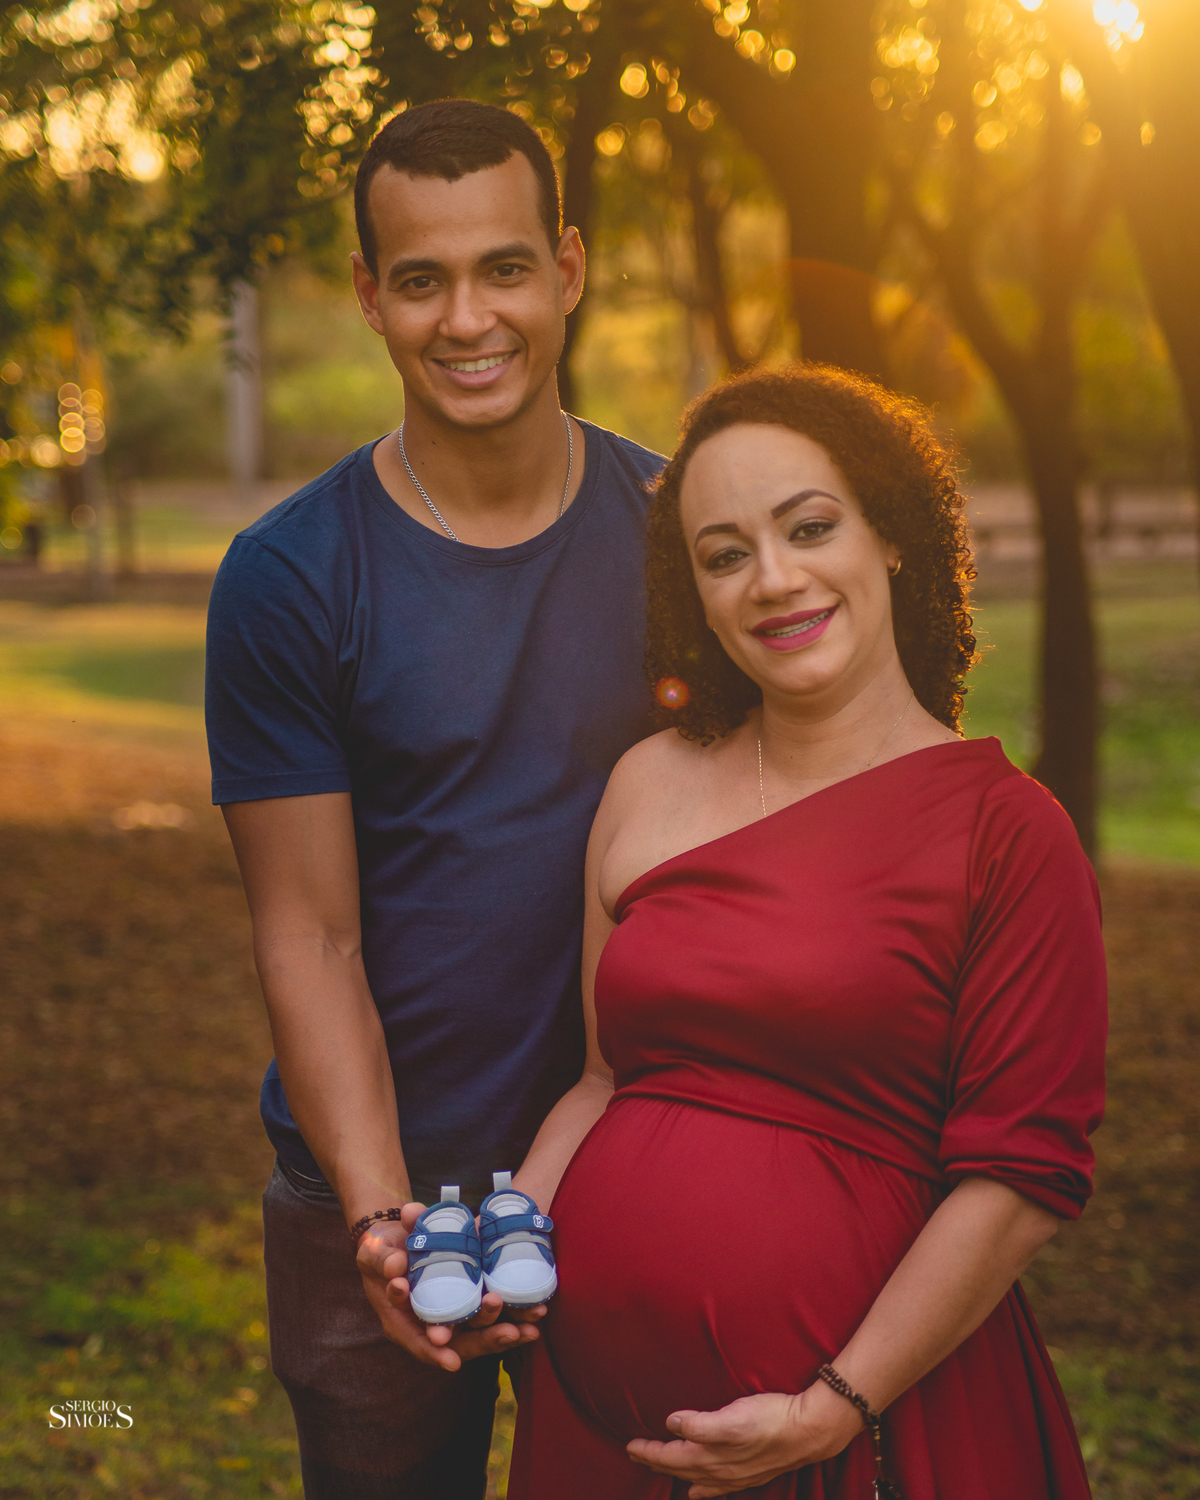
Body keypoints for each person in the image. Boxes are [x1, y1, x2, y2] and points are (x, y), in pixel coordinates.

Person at [504, 364, 1107, 1499]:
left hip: (868, 1438)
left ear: (887, 535)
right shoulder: (647, 783)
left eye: (809, 527)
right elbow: (599, 1080)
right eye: (725, 553)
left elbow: (1020, 1182)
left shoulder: (1009, 834)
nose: (772, 581)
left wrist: (833, 1407)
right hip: (595, 1440)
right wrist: (504, 1244)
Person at [204, 98, 663, 1499]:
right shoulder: (291, 578)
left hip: (635, 1167)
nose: (470, 318)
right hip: (370, 1190)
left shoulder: (676, 537)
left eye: (505, 268)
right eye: (422, 279)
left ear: (569, 268)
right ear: (369, 296)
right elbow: (310, 935)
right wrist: (383, 1220)